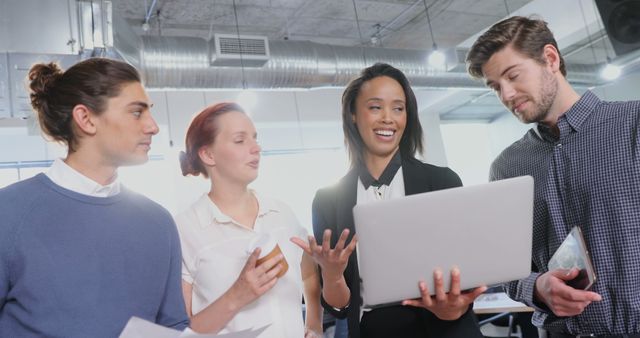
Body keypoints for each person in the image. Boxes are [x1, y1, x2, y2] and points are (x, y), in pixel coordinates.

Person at [466, 15, 640, 337]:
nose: (506, 94)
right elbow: (506, 268)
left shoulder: (633, 125)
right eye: (495, 87)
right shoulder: (507, 167)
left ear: (550, 59)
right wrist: (537, 286)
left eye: (512, 75)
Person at [292, 63, 486, 338]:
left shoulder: (442, 182)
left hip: (442, 328)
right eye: (375, 107)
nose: (388, 118)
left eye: (398, 108)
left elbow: (462, 275)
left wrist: (453, 306)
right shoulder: (327, 200)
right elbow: (339, 307)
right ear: (353, 115)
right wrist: (333, 274)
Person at [0, 58, 189, 337]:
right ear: (86, 119)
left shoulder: (159, 223)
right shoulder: (9, 213)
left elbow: (172, 325)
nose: (153, 127)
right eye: (137, 113)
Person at [175, 102, 323, 337]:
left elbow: (308, 273)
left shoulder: (282, 214)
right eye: (240, 140)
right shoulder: (184, 229)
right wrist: (238, 294)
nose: (256, 148)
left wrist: (314, 325)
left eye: (255, 138)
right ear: (208, 154)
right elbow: (182, 331)